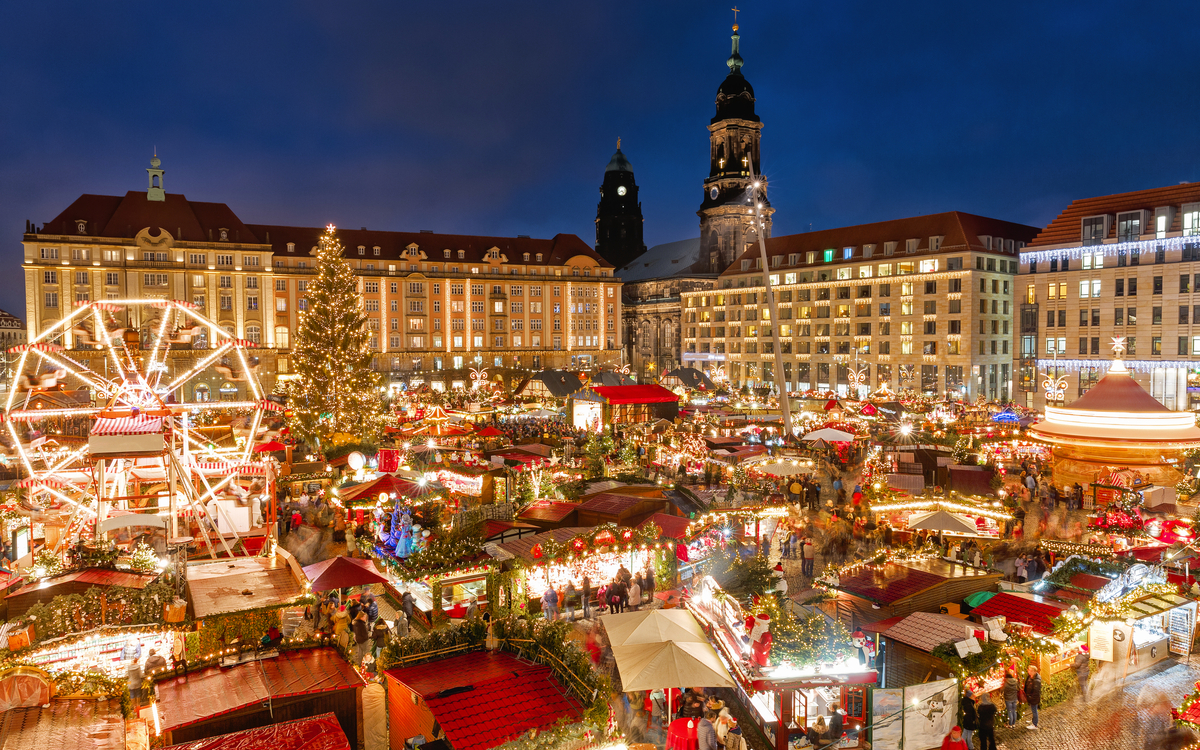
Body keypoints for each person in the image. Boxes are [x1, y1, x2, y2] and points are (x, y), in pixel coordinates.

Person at [1023, 664, 1042, 730]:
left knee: (1034, 711)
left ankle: (1035, 724)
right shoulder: (1030, 677)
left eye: (1030, 670)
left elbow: (1036, 692)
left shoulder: (1036, 681)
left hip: (1034, 698)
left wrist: (1031, 698)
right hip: (1030, 697)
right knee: (1033, 710)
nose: (1029, 671)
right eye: (1029, 670)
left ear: (1034, 671)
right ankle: (1033, 720)